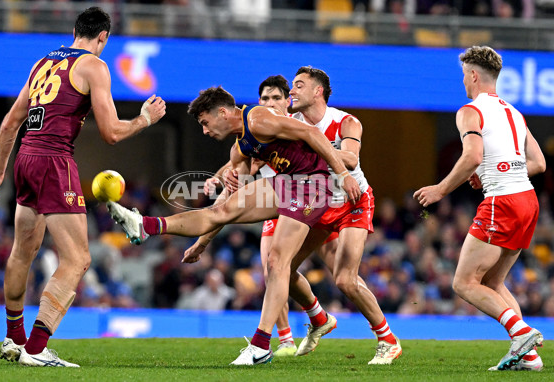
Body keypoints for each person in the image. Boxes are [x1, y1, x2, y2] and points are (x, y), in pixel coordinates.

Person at [107, 85, 360, 365]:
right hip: (287, 184)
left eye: (205, 122)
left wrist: (344, 175)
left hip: (315, 184)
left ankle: (261, 345)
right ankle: (147, 226)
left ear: (223, 113)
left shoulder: (259, 119)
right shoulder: (240, 149)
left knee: (277, 261)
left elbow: (313, 133)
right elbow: (223, 209)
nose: (204, 131)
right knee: (221, 210)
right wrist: (201, 244)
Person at [0, 7, 166, 368]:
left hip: (25, 160)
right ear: (104, 38)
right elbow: (111, 133)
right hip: (54, 162)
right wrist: (146, 118)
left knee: (23, 250)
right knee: (78, 259)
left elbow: (9, 125)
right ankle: (35, 348)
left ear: (73, 30)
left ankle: (14, 337)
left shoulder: (42, 64)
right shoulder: (94, 66)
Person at [414, 46, 545, 371]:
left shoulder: (470, 111)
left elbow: (472, 155)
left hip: (502, 201)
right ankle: (529, 357)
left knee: (463, 282)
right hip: (527, 200)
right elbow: (538, 163)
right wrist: (491, 171)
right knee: (493, 283)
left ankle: (522, 332)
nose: (463, 81)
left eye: (463, 75)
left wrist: (440, 189)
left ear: (473, 75)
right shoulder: (514, 113)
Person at [200, 74, 339, 357]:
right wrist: (221, 178)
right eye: (265, 99)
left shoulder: (290, 127)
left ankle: (326, 318)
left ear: (288, 102)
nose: (270, 103)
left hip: (312, 197)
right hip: (273, 200)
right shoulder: (255, 130)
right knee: (273, 268)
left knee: (337, 274)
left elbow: (330, 152)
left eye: (277, 98)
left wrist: (345, 171)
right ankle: (286, 338)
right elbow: (238, 162)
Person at [284, 66, 401, 364]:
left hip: (352, 202)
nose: (292, 91)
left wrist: (309, 149)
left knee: (346, 280)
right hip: (318, 205)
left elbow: (350, 159)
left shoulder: (345, 121)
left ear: (317, 91)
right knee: (281, 271)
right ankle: (319, 316)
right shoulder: (290, 123)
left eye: (299, 85)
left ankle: (388, 340)